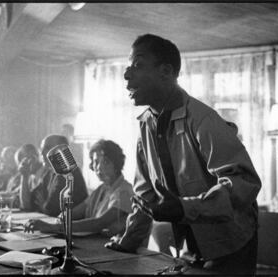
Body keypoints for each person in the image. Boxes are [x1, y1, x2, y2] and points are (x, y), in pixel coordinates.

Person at [104, 34, 261, 275]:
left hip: (231, 247)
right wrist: (128, 242)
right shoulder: (146, 123)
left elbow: (243, 183)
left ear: (166, 71)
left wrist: (184, 208)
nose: (126, 74)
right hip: (189, 250)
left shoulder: (204, 120)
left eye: (137, 64)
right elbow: (144, 193)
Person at [24, 139, 133, 237]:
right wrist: (63, 216)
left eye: (105, 162)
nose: (99, 168)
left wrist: (52, 227)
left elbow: (99, 223)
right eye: (95, 162)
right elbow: (79, 210)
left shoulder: (123, 191)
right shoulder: (101, 189)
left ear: (117, 163)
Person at [19, 134, 88, 217]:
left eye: (47, 148)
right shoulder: (49, 173)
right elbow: (27, 205)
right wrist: (25, 176)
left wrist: (43, 206)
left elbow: (52, 210)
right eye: (42, 149)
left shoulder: (68, 172)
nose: (42, 153)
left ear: (61, 150)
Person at [0, 144, 41, 208]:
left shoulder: (28, 176)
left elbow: (24, 202)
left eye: (5, 159)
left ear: (35, 156)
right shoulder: (29, 176)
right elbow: (15, 192)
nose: (20, 166)